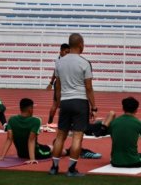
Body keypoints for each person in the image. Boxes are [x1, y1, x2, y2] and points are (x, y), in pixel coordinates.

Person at [49, 33, 96, 177]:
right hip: (80, 101)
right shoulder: (84, 63)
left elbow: (58, 87)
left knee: (60, 135)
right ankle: (71, 169)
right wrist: (93, 107)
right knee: (77, 136)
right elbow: (88, 88)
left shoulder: (59, 62)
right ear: (81, 44)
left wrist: (58, 104)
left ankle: (54, 167)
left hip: (65, 101)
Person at [45, 43, 70, 129]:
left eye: (69, 52)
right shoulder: (61, 61)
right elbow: (56, 73)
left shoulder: (59, 59)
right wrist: (51, 83)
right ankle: (51, 122)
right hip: (60, 84)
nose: (68, 54)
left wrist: (51, 83)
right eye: (66, 52)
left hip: (65, 84)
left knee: (60, 105)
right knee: (57, 104)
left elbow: (55, 72)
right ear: (61, 51)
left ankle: (50, 122)